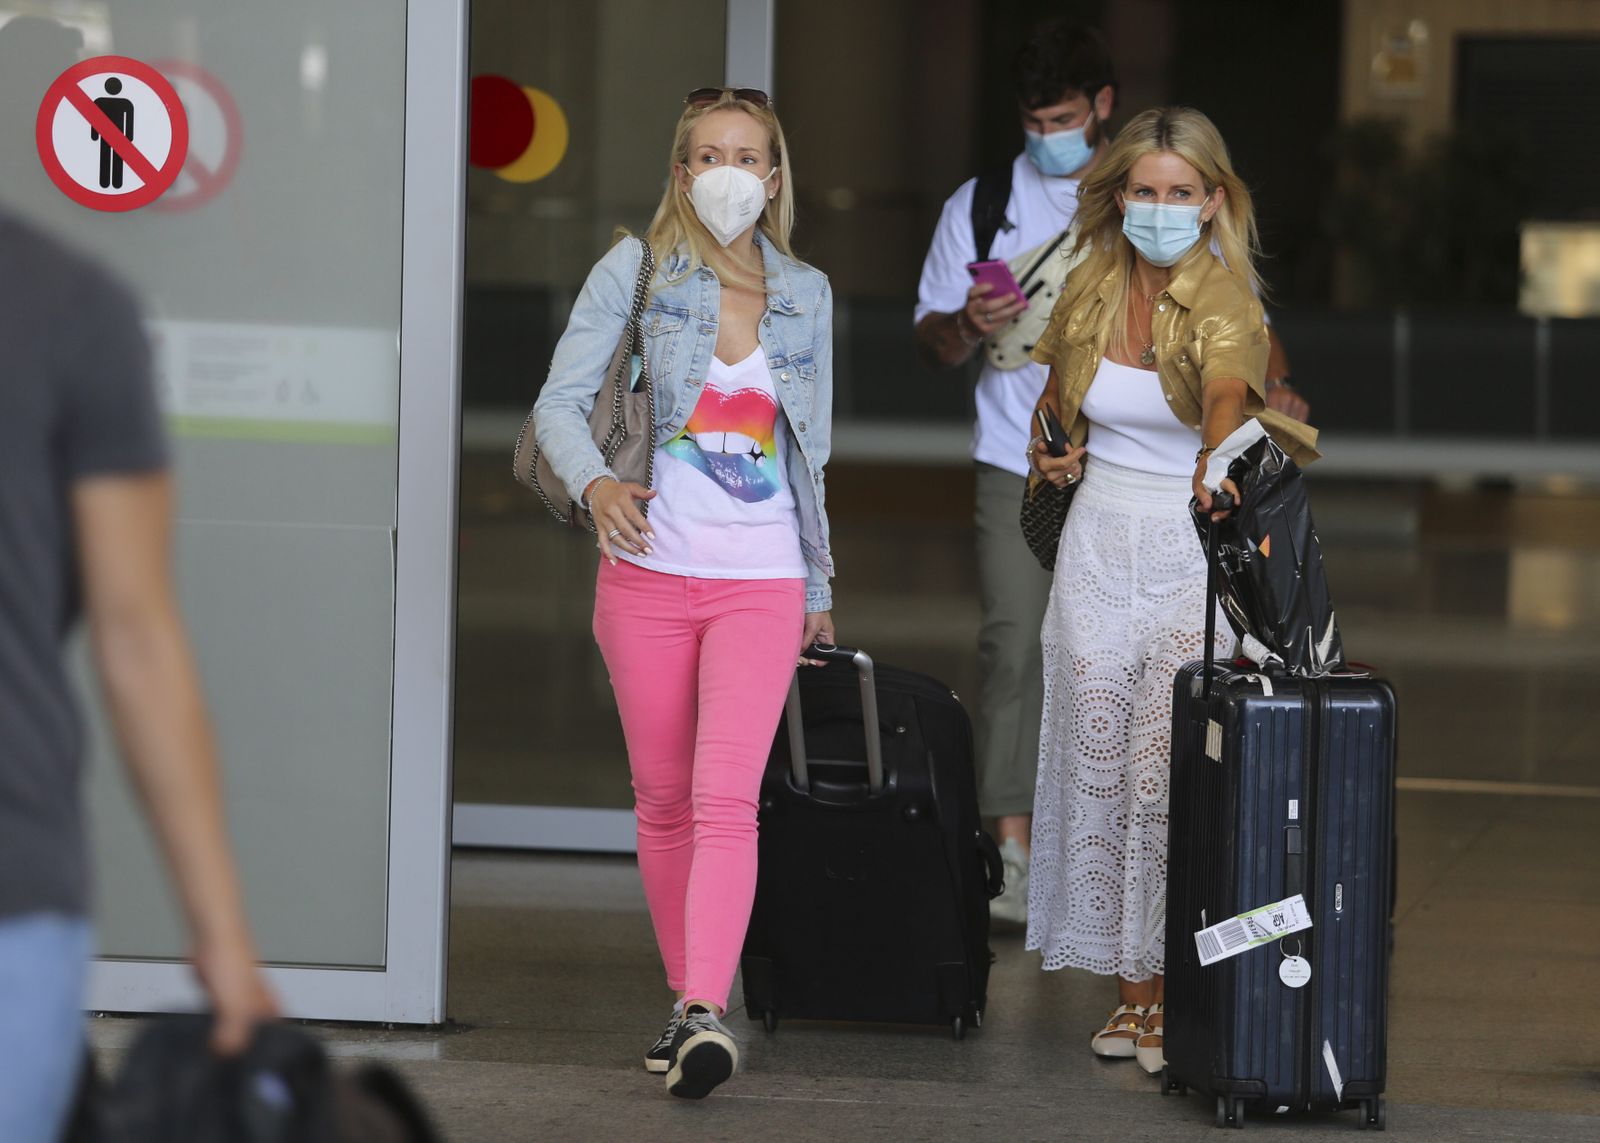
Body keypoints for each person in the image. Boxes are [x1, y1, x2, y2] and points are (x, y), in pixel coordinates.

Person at [532, 87, 835, 1101]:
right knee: (661, 802)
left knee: (723, 801)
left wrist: (818, 584)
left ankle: (706, 1008)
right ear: (679, 170)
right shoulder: (635, 269)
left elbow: (810, 456)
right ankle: (684, 1008)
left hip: (761, 579)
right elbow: (561, 403)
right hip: (646, 579)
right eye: (709, 155)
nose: (728, 174)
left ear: (775, 176)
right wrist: (595, 482)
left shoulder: (806, 294)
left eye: (747, 156)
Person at [1023, 107, 1319, 1076]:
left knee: (1165, 773)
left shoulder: (1226, 298)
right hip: (1096, 546)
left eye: (1178, 193)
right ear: (1117, 200)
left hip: (1188, 549)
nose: (1159, 209)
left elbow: (1230, 391)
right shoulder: (1087, 291)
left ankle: (1172, 989)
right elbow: (1055, 402)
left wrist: (1216, 456)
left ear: (1212, 201)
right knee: (1099, 757)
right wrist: (1051, 450)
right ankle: (1130, 995)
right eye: (1142, 192)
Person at [0, 207, 278, 1143]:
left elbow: (136, 640)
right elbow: (136, 639)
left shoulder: (69, 309)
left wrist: (219, 927)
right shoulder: (70, 303)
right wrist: (223, 933)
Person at [913, 20, 1118, 928]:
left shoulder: (1147, 194)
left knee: (1119, 654)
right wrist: (967, 318)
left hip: (1127, 463)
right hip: (1013, 459)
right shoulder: (984, 203)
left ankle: (1116, 849)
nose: (1048, 138)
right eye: (1033, 123)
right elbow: (934, 341)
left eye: (1064, 118)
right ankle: (1013, 849)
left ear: (1103, 107)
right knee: (1011, 642)